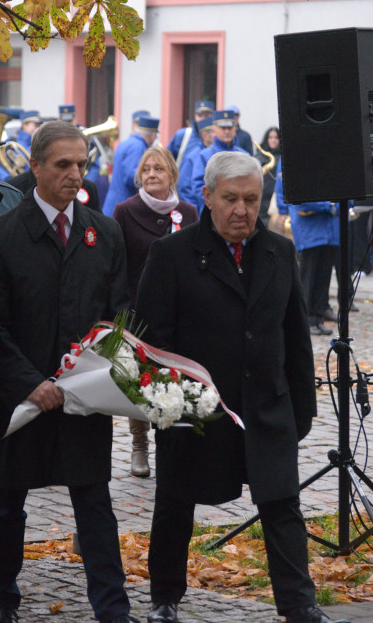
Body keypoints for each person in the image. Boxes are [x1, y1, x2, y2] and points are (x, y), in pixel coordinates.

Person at [135, 152, 346, 623]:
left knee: (282, 504)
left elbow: (295, 337)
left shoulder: (279, 251)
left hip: (266, 406)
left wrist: (300, 411)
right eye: (230, 199)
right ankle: (164, 598)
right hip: (196, 411)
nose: (241, 211)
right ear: (206, 197)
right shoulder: (171, 255)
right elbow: (152, 342)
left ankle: (299, 604)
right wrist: (171, 406)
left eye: (251, 200)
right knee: (175, 504)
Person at [0, 121, 137, 623]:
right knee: (6, 503)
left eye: (82, 165)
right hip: (22, 398)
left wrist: (95, 374)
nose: (74, 175)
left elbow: (118, 314)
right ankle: (2, 599)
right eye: (62, 165)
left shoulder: (104, 231)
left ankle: (112, 608)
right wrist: (31, 383)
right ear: (36, 166)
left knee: (94, 504)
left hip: (83, 398)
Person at [112, 145, 198, 478]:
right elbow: (117, 264)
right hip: (137, 310)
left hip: (179, 312)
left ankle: (173, 446)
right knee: (139, 381)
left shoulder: (189, 212)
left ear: (172, 175)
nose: (151, 174)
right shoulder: (125, 210)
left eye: (158, 169)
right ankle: (139, 445)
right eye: (146, 169)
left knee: (173, 379)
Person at [275, 162, 338, 336]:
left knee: (323, 278)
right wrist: (328, 206)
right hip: (310, 230)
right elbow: (298, 199)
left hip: (329, 229)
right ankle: (305, 321)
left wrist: (336, 206)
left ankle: (317, 318)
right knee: (307, 279)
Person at [183, 110, 248, 212]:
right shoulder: (204, 155)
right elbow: (197, 186)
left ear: (235, 130)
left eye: (230, 128)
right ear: (214, 131)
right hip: (212, 212)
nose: (227, 131)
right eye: (223, 128)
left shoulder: (244, 155)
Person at [103, 114, 159, 216]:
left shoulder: (126, 143)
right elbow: (131, 176)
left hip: (114, 203)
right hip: (124, 206)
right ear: (153, 135)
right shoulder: (138, 147)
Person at [166, 100, 214, 166]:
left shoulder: (217, 137)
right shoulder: (183, 135)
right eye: (200, 115)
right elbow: (166, 160)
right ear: (195, 116)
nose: (203, 119)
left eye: (206, 116)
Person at [257, 126, 281, 227]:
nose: (273, 140)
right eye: (270, 137)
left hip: (277, 202)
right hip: (261, 202)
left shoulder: (284, 158)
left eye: (276, 137)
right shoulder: (258, 157)